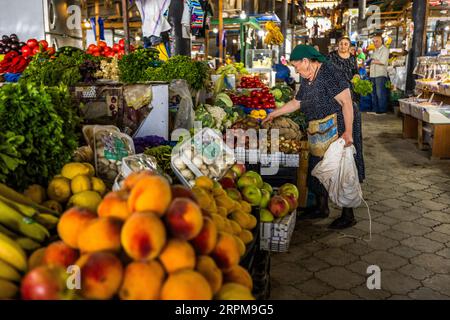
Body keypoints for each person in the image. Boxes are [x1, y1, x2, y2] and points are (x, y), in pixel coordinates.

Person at [263, 45, 365, 229]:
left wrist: (348, 132)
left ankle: (348, 215)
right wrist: (275, 113)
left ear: (306, 61)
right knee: (317, 163)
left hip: (340, 123)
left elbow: (347, 103)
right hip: (320, 127)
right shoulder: (308, 78)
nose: (296, 70)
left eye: (296, 66)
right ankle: (321, 207)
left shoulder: (330, 72)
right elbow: (297, 102)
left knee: (342, 167)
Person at [369, 35, 390, 114]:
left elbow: (383, 61)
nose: (375, 43)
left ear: (381, 41)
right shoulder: (375, 50)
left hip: (380, 74)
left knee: (380, 93)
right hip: (373, 74)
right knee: (373, 93)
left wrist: (373, 61)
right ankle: (375, 109)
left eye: (377, 41)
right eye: (374, 41)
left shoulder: (385, 50)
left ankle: (382, 110)